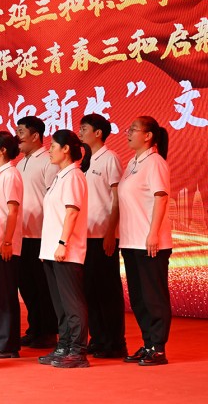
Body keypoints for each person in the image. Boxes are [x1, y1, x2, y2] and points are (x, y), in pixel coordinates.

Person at [119, 116, 173, 366]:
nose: (128, 133)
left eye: (133, 129)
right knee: (139, 297)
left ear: (148, 136)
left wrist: (153, 233)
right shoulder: (133, 163)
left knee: (154, 296)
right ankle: (148, 343)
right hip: (131, 242)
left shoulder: (155, 162)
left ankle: (158, 348)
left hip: (150, 242)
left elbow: (161, 198)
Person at [38, 130, 90, 368]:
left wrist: (62, 243)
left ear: (66, 149)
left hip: (66, 250)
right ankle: (64, 346)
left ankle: (78, 351)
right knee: (60, 304)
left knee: (72, 302)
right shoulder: (60, 176)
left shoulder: (74, 176)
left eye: (53, 146)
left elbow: (72, 212)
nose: (49, 150)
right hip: (51, 250)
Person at [77, 113, 127, 358]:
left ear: (98, 133)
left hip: (103, 236)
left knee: (107, 290)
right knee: (90, 290)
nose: (80, 132)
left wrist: (110, 232)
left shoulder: (110, 158)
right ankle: (97, 338)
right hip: (85, 236)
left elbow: (117, 198)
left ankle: (114, 343)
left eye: (84, 128)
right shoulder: (85, 162)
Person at [16, 115, 59, 348]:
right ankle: (35, 328)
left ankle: (48, 331)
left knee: (43, 287)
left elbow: (53, 198)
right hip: (21, 234)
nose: (18, 137)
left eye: (21, 132)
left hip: (41, 235)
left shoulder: (47, 162)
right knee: (27, 286)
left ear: (35, 136)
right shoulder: (20, 163)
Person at [0, 131, 24, 359]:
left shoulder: (11, 174)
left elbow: (13, 210)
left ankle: (7, 344)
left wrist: (8, 240)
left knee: (3, 294)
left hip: (3, 244)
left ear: (3, 150)